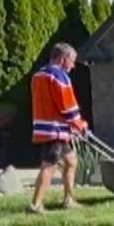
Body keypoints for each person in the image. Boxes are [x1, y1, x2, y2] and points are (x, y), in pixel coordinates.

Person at [28, 43, 88, 214]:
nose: (73, 66)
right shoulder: (59, 76)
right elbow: (66, 105)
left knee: (71, 161)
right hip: (55, 129)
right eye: (72, 61)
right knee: (49, 166)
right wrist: (79, 123)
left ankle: (69, 199)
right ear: (63, 59)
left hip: (44, 126)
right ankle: (36, 205)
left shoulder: (38, 75)